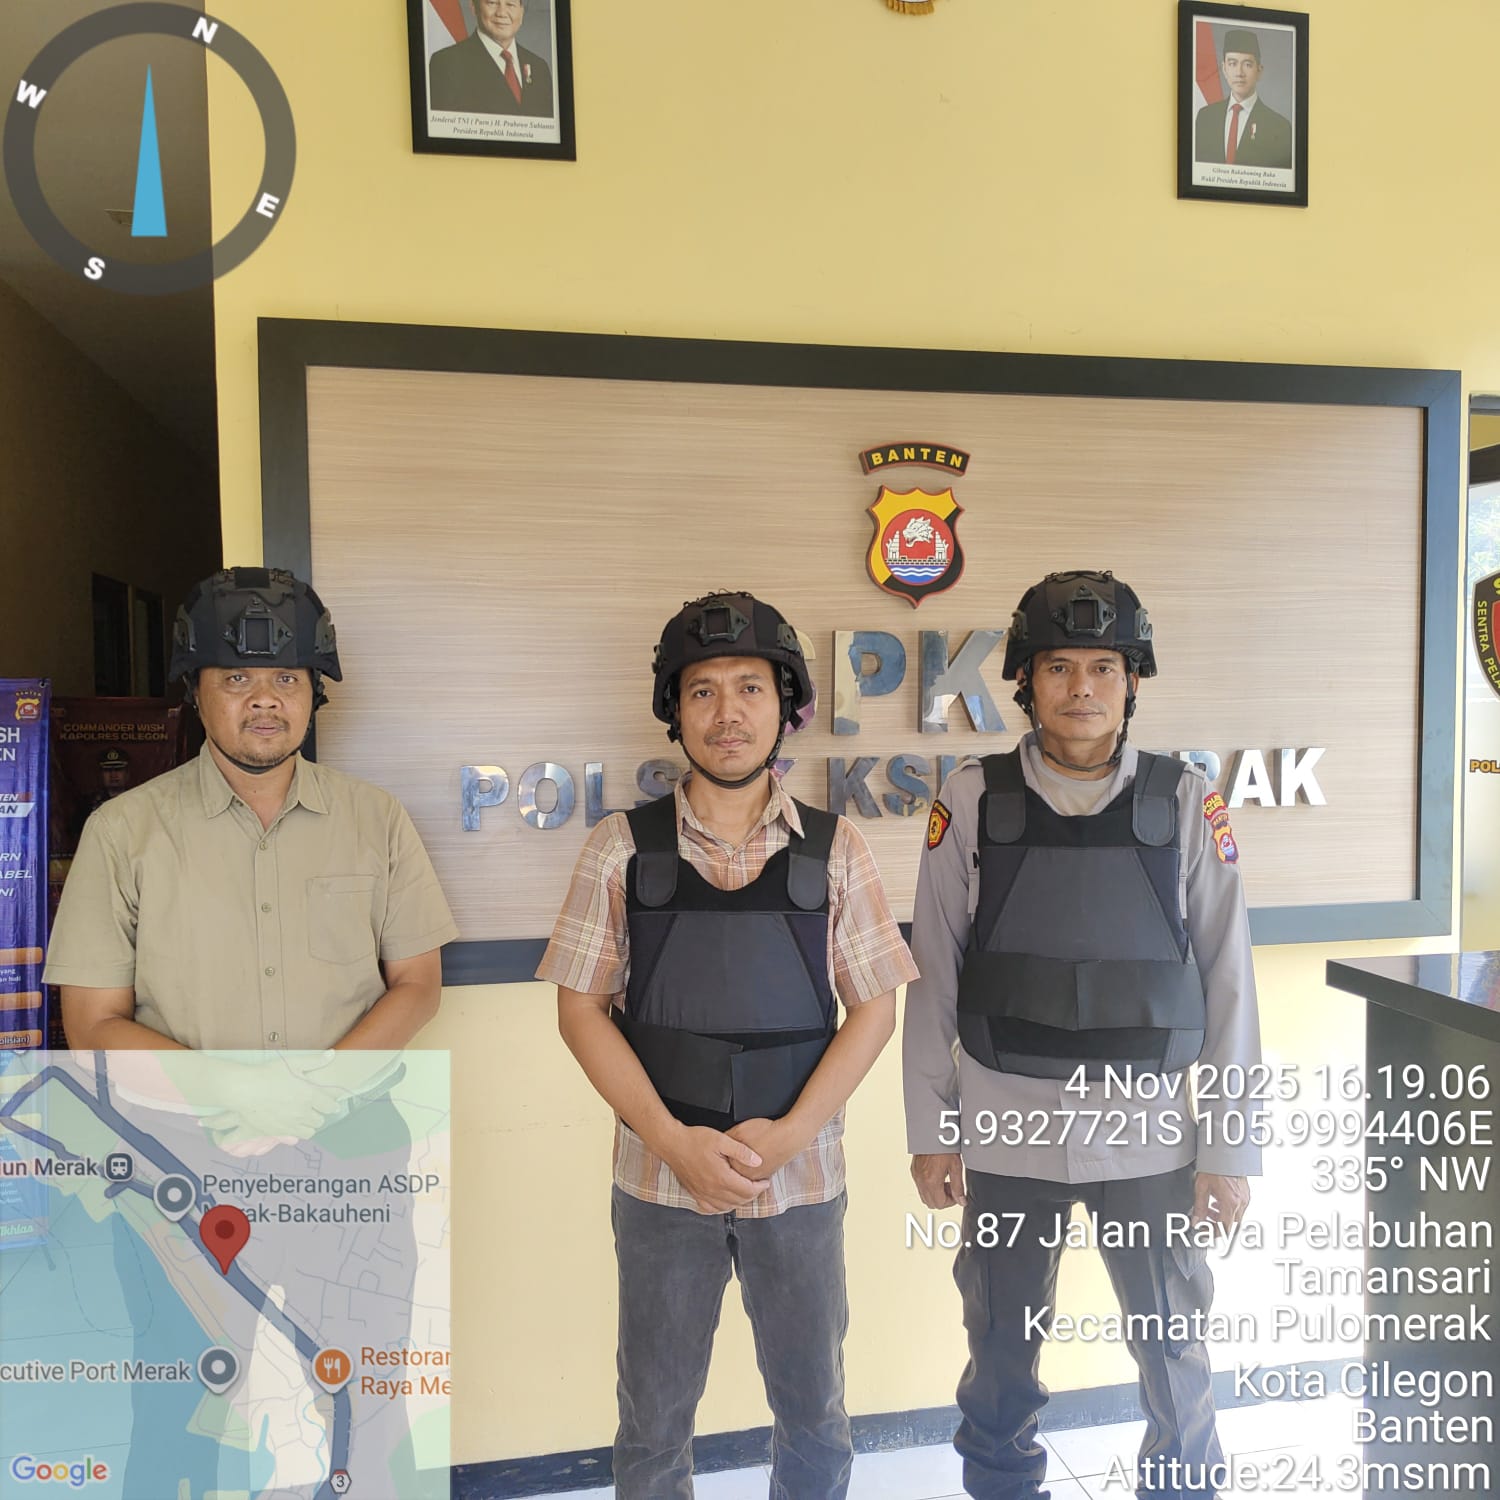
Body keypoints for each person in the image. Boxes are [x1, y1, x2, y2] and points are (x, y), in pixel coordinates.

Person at [539, 590, 918, 1500]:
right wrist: (675, 1143)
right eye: (702, 691)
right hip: (660, 1182)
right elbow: (580, 1011)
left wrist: (788, 1137)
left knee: (814, 1411)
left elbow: (875, 1008)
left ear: (786, 706)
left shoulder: (836, 848)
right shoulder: (619, 848)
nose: (727, 712)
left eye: (751, 687)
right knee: (653, 1421)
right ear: (674, 710)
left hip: (801, 1180)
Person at [904, 570, 1263, 1500]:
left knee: (1171, 1345)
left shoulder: (1185, 802)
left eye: (1104, 667)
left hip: (1150, 1137)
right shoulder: (971, 800)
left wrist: (1230, 1150)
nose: (1082, 688)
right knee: (999, 1347)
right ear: (1026, 681)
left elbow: (1229, 982)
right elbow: (933, 974)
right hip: (1005, 1129)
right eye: (1059, 667)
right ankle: (1002, 1485)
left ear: (1132, 681)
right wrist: (931, 1130)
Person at [43, 566, 459, 1052]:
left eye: (287, 678)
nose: (265, 700)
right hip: (182, 1104)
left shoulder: (377, 818)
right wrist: (225, 1091)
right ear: (196, 693)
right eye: (237, 678)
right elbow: (92, 1023)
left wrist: (327, 1082)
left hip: (347, 1100)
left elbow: (418, 984)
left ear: (314, 694)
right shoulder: (121, 832)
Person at [428, 0, 555, 117]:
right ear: (474, 7)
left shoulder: (539, 68)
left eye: (510, 4)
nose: (501, 13)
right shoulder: (446, 63)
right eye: (492, 3)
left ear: (521, 12)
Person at [1193, 27, 1293, 170]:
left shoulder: (1279, 127)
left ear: (1259, 71)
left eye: (1247, 64)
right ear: (1224, 69)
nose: (1239, 73)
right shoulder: (1205, 118)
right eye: (1232, 63)